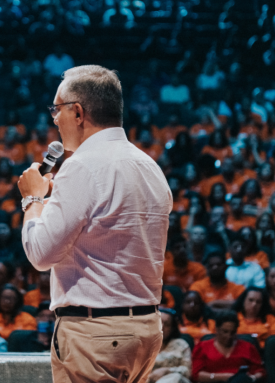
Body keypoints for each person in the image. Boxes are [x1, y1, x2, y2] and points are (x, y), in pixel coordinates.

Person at [19, 66, 171, 383]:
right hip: (145, 328)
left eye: (57, 109)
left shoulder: (82, 166)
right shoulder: (149, 166)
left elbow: (41, 255)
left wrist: (33, 199)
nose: (54, 119)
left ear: (78, 112)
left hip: (96, 331)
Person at [191, 311, 265, 382]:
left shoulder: (248, 347)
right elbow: (196, 375)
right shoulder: (202, 347)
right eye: (225, 332)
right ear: (217, 329)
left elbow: (260, 371)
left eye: (232, 332)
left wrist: (252, 378)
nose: (229, 336)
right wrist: (223, 377)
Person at [149, 309, 192, 383]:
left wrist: (167, 371)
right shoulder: (142, 345)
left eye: (167, 324)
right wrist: (151, 376)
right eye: (159, 322)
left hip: (175, 379)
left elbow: (187, 371)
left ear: (172, 328)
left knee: (175, 377)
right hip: (149, 380)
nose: (162, 327)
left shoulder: (181, 345)